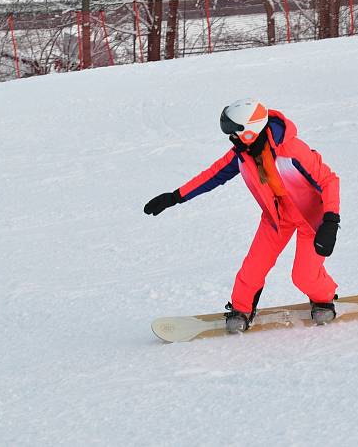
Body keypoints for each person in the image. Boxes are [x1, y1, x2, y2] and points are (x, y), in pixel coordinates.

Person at [144, 99, 341, 333]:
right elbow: (213, 175)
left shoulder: (293, 150)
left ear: (249, 132)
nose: (230, 138)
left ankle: (323, 299)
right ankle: (241, 309)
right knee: (252, 269)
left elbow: (329, 180)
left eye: (233, 132)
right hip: (276, 218)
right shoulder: (243, 154)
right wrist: (176, 196)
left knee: (303, 276)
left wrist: (330, 220)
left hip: (311, 217)